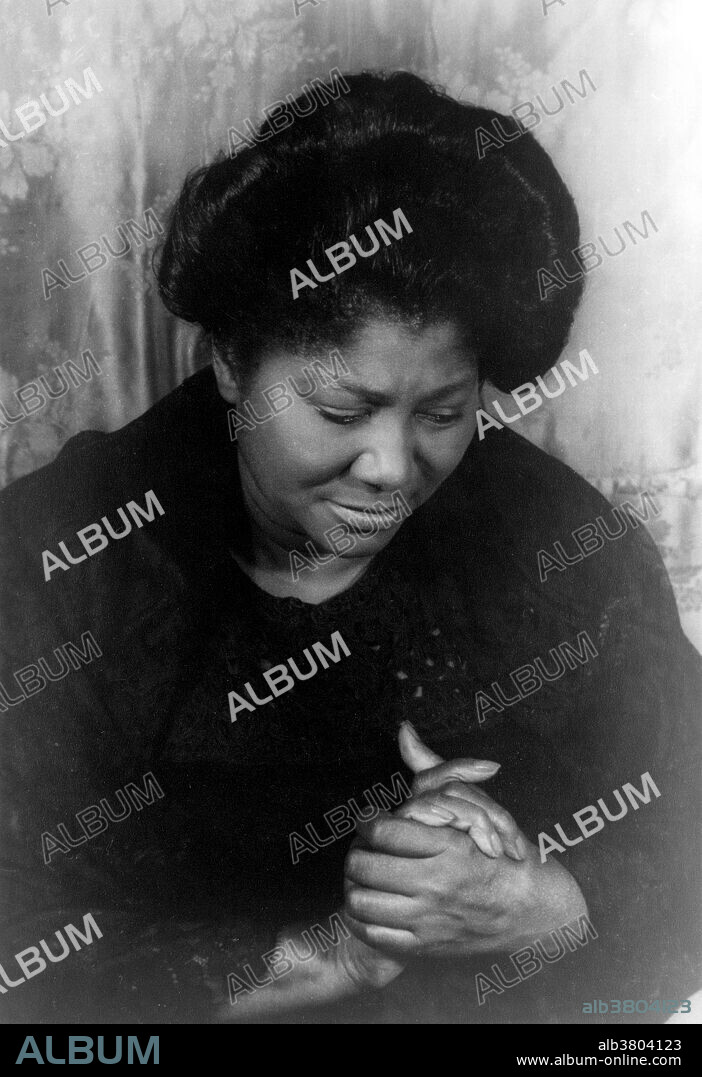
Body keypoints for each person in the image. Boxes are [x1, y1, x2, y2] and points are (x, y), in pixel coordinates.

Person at [0, 71, 699, 1025]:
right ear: (231, 361)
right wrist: (336, 951)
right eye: (340, 410)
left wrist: (541, 904)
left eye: (443, 413)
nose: (392, 468)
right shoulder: (61, 560)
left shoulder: (558, 543)